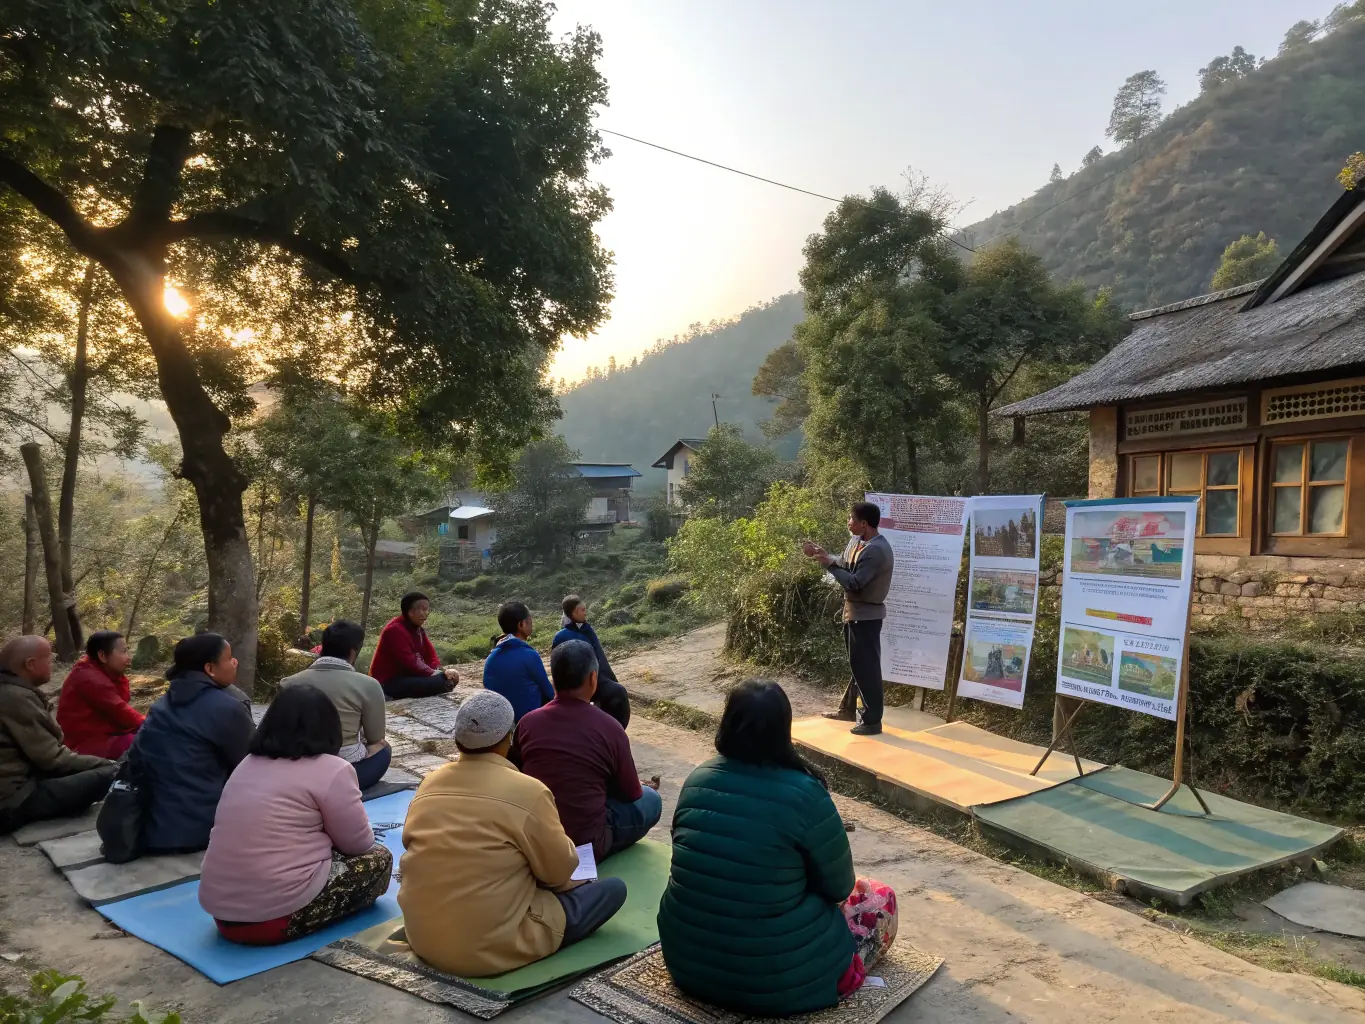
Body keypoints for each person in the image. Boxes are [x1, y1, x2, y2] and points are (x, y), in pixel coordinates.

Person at [657, 680, 897, 1015]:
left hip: (687, 963)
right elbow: (839, 888)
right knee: (879, 897)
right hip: (776, 980)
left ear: (728, 722)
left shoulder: (697, 779)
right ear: (784, 729)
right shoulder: (806, 793)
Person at [399, 690, 626, 977]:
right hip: (488, 949)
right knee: (613, 889)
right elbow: (559, 873)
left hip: (424, 937)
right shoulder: (528, 791)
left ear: (458, 740)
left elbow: (413, 847)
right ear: (508, 738)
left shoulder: (429, 784)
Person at [199, 684, 392, 945]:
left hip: (223, 914)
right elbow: (359, 844)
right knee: (380, 858)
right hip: (273, 918)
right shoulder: (333, 769)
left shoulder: (247, 763)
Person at [514, 639, 660, 862]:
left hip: (539, 838)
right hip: (588, 844)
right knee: (651, 798)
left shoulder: (526, 724)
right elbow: (632, 793)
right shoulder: (610, 727)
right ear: (593, 678)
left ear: (553, 680)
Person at [134, 633, 255, 853]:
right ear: (210, 669)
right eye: (229, 658)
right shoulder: (227, 708)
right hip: (199, 828)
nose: (235, 662)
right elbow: (252, 767)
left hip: (151, 826)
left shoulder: (161, 704)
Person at [0, 636, 118, 835]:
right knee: (111, 774)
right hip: (11, 802)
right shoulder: (14, 697)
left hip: (18, 784)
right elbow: (53, 759)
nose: (52, 665)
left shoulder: (11, 690)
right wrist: (110, 764)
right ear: (30, 664)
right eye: (48, 659)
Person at [802, 501, 895, 735]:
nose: (848, 522)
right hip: (853, 614)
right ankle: (848, 710)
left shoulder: (876, 550)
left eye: (851, 519)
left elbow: (854, 581)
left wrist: (829, 567)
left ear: (864, 524)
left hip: (866, 617)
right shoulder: (857, 542)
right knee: (858, 666)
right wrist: (827, 557)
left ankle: (872, 721)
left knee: (867, 669)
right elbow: (845, 564)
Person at [280, 620, 391, 791]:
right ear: (354, 650)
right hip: (343, 772)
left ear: (323, 646)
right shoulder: (368, 685)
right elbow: (376, 738)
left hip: (296, 770)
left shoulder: (288, 683)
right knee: (384, 749)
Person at [56, 631, 145, 759]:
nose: (129, 657)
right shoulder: (89, 678)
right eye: (124, 652)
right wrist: (151, 723)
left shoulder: (101, 671)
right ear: (102, 655)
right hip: (83, 744)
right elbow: (120, 711)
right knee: (142, 742)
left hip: (105, 733)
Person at [551, 595, 630, 729]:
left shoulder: (587, 629)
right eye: (582, 609)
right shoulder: (562, 636)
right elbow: (558, 665)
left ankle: (615, 730)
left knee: (618, 692)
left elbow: (600, 656)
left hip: (595, 676)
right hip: (577, 681)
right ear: (574, 612)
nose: (585, 612)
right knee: (616, 693)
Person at [368, 592, 460, 701]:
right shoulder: (394, 630)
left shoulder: (418, 630)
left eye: (427, 609)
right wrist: (436, 674)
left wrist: (442, 670)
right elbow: (410, 662)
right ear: (411, 612)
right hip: (387, 682)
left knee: (446, 678)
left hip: (408, 676)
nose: (427, 613)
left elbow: (430, 655)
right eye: (423, 609)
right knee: (440, 681)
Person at [482, 601, 553, 722]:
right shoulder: (529, 655)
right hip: (527, 722)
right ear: (521, 624)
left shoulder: (491, 657)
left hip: (501, 723)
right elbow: (550, 694)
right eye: (529, 620)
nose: (532, 623)